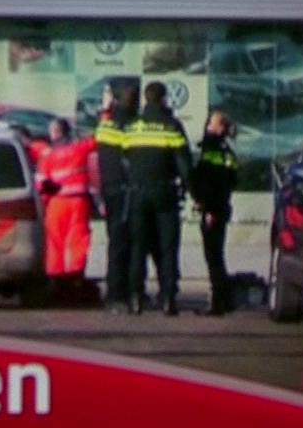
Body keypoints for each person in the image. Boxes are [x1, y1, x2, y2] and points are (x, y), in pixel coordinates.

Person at [124, 80, 192, 316]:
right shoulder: (171, 126)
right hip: (164, 193)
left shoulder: (132, 127)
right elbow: (184, 164)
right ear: (163, 99)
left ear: (146, 98)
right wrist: (191, 190)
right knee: (168, 247)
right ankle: (168, 298)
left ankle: (135, 298)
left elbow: (125, 158)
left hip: (137, 193)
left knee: (138, 247)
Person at [34, 117, 100, 304]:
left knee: (56, 243)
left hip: (56, 204)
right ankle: (75, 278)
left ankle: (57, 281)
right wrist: (106, 114)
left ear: (54, 133)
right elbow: (98, 139)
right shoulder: (79, 148)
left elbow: (41, 184)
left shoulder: (47, 155)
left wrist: (45, 203)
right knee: (77, 241)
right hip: (78, 202)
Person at [190, 108, 241, 315]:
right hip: (221, 206)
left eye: (211, 123)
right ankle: (224, 299)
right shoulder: (228, 150)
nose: (207, 126)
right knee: (216, 255)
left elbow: (208, 180)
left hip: (213, 209)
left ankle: (218, 302)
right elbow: (232, 181)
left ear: (220, 128)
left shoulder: (211, 149)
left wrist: (204, 203)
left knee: (213, 257)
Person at [94, 84, 136, 313]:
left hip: (110, 190)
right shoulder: (132, 127)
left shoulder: (104, 128)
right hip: (127, 191)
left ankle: (115, 294)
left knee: (116, 244)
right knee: (128, 245)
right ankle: (123, 294)